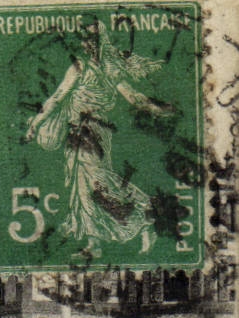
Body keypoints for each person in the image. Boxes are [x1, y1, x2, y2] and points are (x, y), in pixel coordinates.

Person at [23, 24, 174, 258]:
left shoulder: (111, 71)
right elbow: (56, 98)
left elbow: (134, 98)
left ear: (101, 40)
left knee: (98, 183)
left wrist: (160, 109)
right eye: (84, 39)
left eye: (91, 39)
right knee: (81, 189)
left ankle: (146, 214)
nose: (87, 44)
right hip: (76, 134)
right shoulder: (79, 67)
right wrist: (35, 123)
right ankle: (94, 244)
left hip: (94, 134)